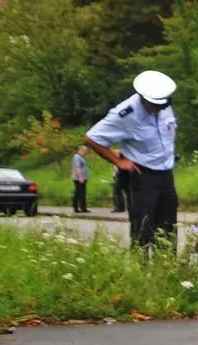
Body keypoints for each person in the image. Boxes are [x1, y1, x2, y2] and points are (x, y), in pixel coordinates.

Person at [84, 70, 179, 249]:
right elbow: (92, 138)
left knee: (168, 228)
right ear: (144, 98)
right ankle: (141, 271)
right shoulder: (125, 114)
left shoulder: (164, 103)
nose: (161, 108)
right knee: (142, 228)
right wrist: (118, 161)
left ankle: (166, 271)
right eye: (155, 104)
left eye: (163, 104)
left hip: (166, 174)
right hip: (142, 176)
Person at [69, 148, 89, 213]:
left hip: (81, 178)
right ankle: (81, 208)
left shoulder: (80, 157)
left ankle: (79, 208)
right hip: (79, 178)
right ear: (82, 150)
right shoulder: (77, 157)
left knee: (78, 193)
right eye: (85, 152)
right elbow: (78, 168)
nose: (86, 153)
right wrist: (80, 177)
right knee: (80, 193)